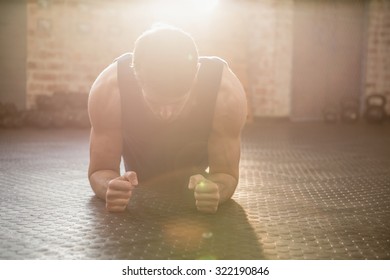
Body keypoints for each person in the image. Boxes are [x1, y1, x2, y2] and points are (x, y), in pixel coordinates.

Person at [88, 25, 247, 214]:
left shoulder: (225, 93)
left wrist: (216, 192)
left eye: (177, 103)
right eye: (155, 102)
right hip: (140, 182)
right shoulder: (110, 89)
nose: (166, 114)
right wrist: (111, 187)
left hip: (194, 181)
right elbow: (100, 170)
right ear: (135, 75)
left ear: (196, 74)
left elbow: (226, 173)